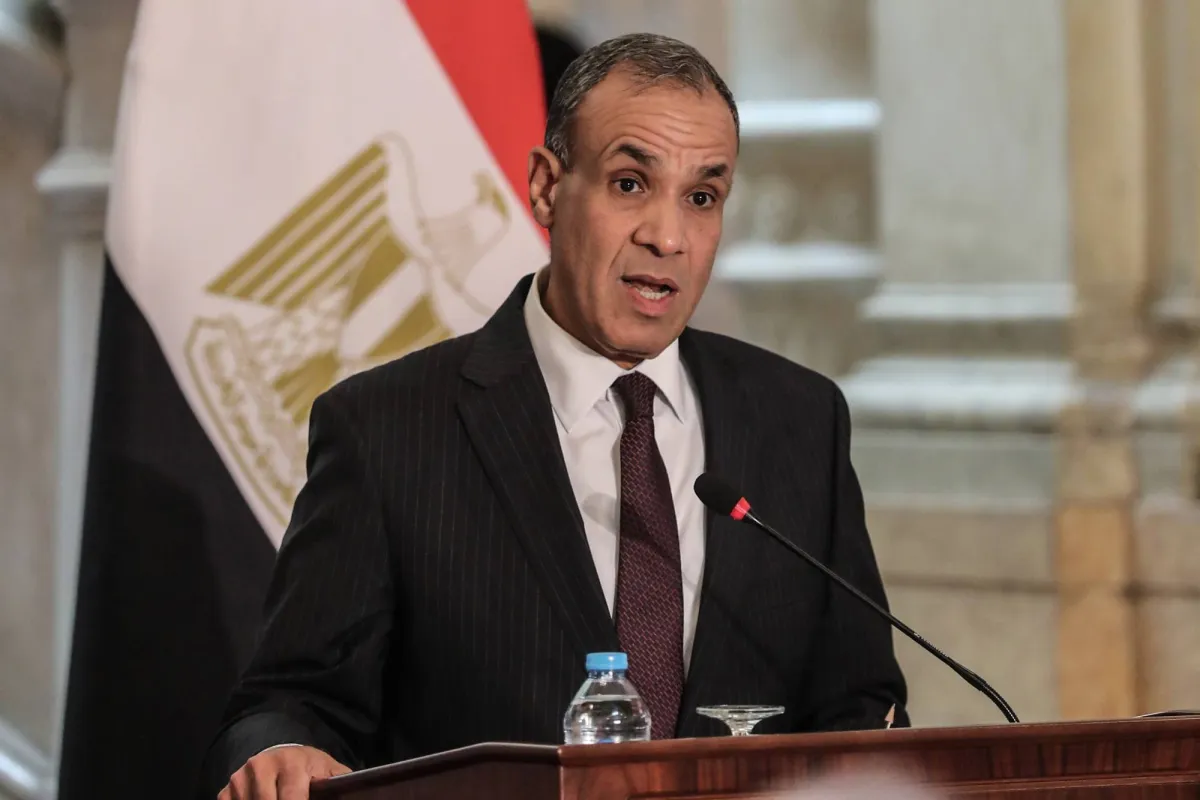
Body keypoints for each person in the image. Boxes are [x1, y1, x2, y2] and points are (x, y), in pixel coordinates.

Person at [204, 32, 908, 800]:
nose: (668, 236)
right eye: (630, 183)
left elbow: (861, 705)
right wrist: (286, 747)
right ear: (546, 187)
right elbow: (290, 703)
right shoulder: (387, 429)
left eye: (702, 197)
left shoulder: (799, 420)